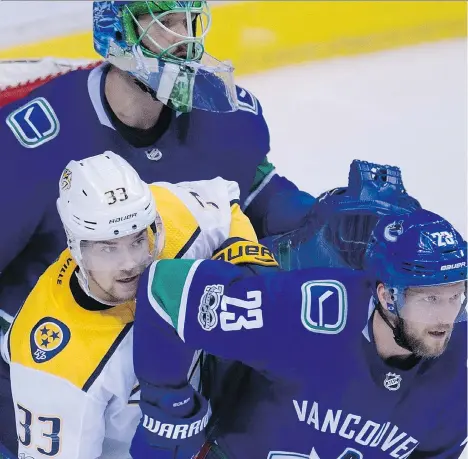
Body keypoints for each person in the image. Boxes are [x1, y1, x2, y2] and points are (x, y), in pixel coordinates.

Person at [0, 1, 315, 452]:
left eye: (188, 20)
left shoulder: (227, 116)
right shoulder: (29, 145)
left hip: (180, 383)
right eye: (165, 22)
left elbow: (254, 194)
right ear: (116, 30)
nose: (183, 38)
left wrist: (327, 215)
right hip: (53, 386)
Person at [1, 151, 278, 459]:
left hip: (219, 417)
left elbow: (226, 202)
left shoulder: (171, 220)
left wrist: (251, 273)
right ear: (76, 249)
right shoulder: (51, 368)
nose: (131, 263)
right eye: (108, 249)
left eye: (137, 241)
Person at [131, 209, 467, 458]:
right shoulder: (303, 313)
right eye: (430, 299)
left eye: (455, 297)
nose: (445, 317)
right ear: (386, 296)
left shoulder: (459, 371)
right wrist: (171, 409)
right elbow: (165, 288)